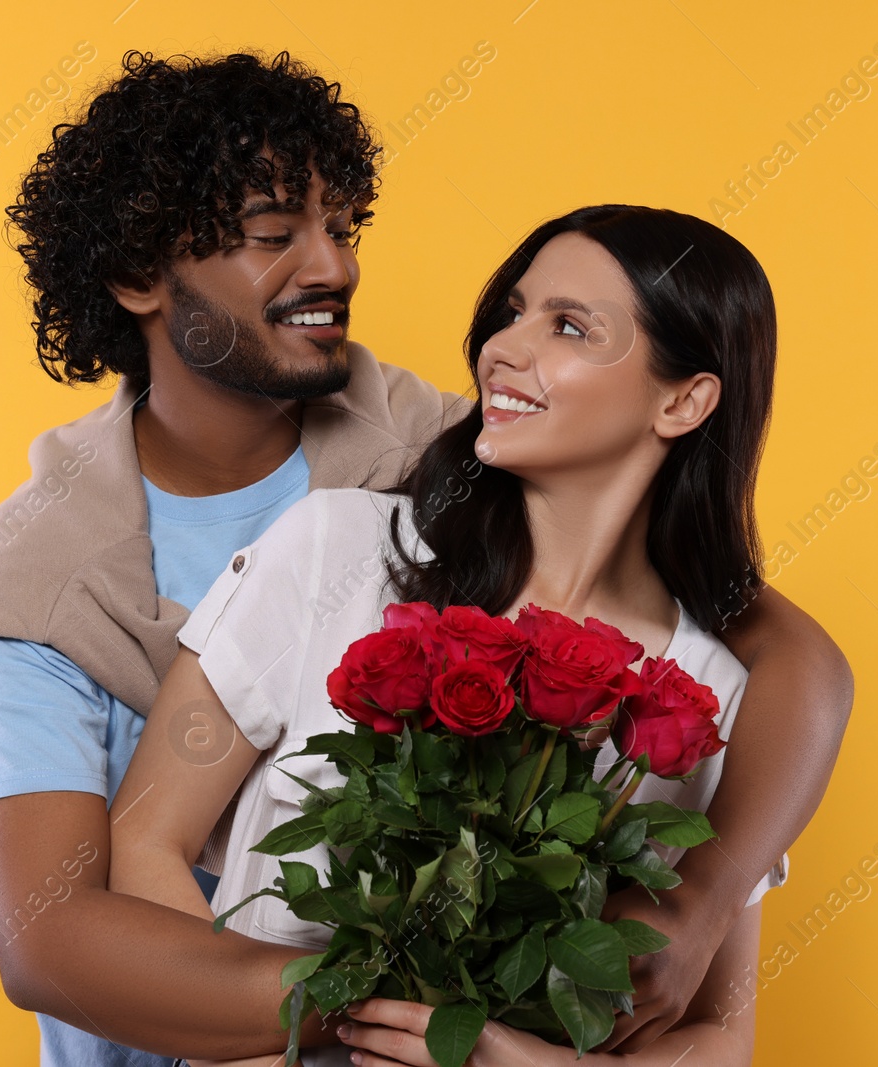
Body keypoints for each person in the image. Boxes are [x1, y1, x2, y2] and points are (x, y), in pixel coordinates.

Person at [0, 50, 853, 1065]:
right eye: (276, 236)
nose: (336, 267)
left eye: (341, 228)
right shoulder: (45, 586)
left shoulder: (463, 458)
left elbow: (766, 647)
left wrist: (706, 899)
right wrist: (419, 1007)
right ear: (139, 277)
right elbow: (47, 937)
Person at [107, 204, 811, 1067]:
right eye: (513, 311)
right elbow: (144, 840)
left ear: (684, 399)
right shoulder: (337, 549)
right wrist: (253, 1049)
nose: (505, 348)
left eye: (568, 327)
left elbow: (720, 1037)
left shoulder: (718, 700)